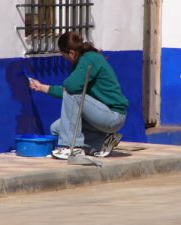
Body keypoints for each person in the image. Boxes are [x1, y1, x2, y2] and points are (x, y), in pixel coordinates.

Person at [29, 31, 128, 160]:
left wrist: (69, 82)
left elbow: (70, 88)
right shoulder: (82, 61)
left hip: (113, 115)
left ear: (71, 52)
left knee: (73, 94)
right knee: (56, 129)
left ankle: (73, 147)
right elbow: (68, 91)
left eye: (64, 56)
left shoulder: (89, 59)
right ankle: (102, 141)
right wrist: (41, 87)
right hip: (100, 115)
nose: (65, 60)